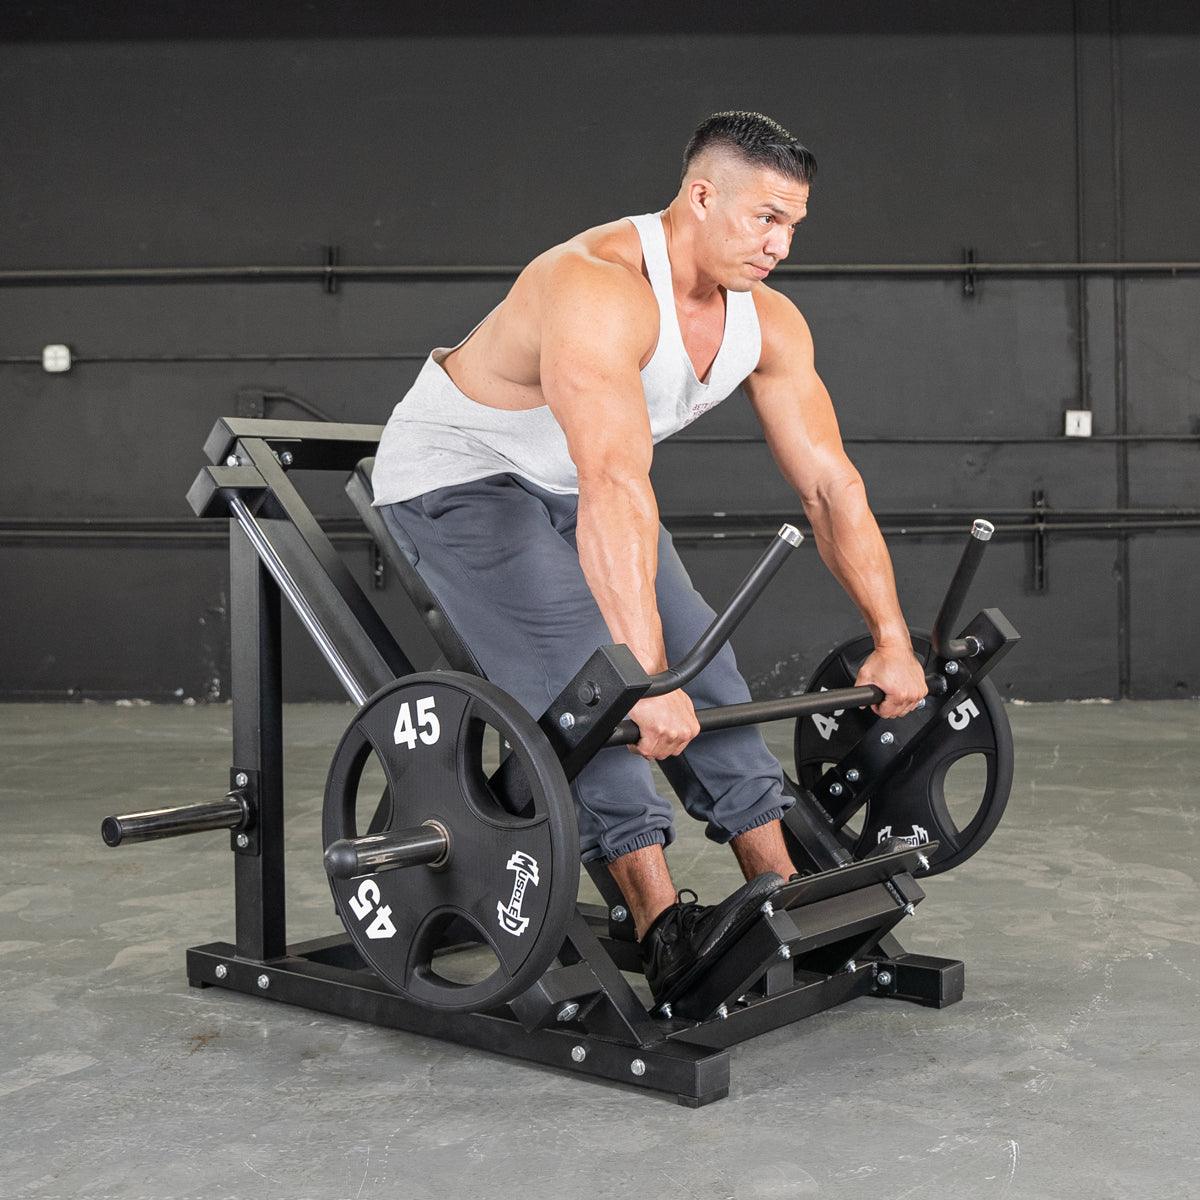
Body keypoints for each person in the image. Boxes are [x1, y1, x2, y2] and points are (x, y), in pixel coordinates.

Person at [372, 111, 927, 1007]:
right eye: (766, 219)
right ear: (701, 197)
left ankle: (777, 891)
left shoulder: (768, 323)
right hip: (463, 479)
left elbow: (832, 487)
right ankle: (664, 926)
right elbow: (615, 478)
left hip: (580, 484)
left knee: (711, 672)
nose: (781, 246)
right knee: (592, 689)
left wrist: (891, 637)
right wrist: (639, 678)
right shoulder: (595, 285)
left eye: (794, 226)